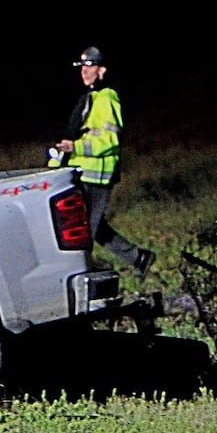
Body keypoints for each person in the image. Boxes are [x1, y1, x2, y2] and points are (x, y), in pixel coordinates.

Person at [48, 46, 154, 279]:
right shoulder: (90, 97)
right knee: (90, 226)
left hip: (98, 176)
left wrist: (75, 147)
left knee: (83, 230)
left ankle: (80, 275)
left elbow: (110, 140)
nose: (84, 72)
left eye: (89, 66)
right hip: (82, 173)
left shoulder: (107, 98)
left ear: (102, 70)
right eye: (82, 67)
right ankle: (138, 258)